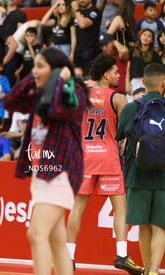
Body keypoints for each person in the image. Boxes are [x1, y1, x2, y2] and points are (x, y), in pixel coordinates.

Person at [3, 47, 88, 275]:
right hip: (42, 172)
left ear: (58, 70)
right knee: (56, 241)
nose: (35, 71)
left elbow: (57, 110)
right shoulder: (40, 93)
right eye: (34, 66)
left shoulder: (74, 91)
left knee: (36, 233)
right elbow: (10, 102)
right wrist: (34, 77)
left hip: (61, 172)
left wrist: (58, 79)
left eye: (40, 66)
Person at [66, 54, 144, 274]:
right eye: (116, 71)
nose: (119, 74)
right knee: (121, 208)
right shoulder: (118, 98)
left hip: (85, 157)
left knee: (77, 208)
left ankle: (69, 257)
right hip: (109, 157)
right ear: (106, 73)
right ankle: (121, 254)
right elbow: (128, 132)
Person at [115, 63, 165, 275]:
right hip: (163, 178)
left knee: (143, 225)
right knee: (160, 226)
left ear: (143, 83)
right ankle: (154, 270)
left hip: (137, 175)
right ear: (164, 83)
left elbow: (119, 136)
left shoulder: (130, 108)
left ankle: (146, 271)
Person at [71, 0, 101, 75]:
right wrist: (72, 52)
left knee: (90, 78)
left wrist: (76, 10)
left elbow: (83, 24)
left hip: (90, 51)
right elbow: (74, 34)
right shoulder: (78, 13)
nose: (82, 0)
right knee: (78, 78)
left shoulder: (94, 11)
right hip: (78, 51)